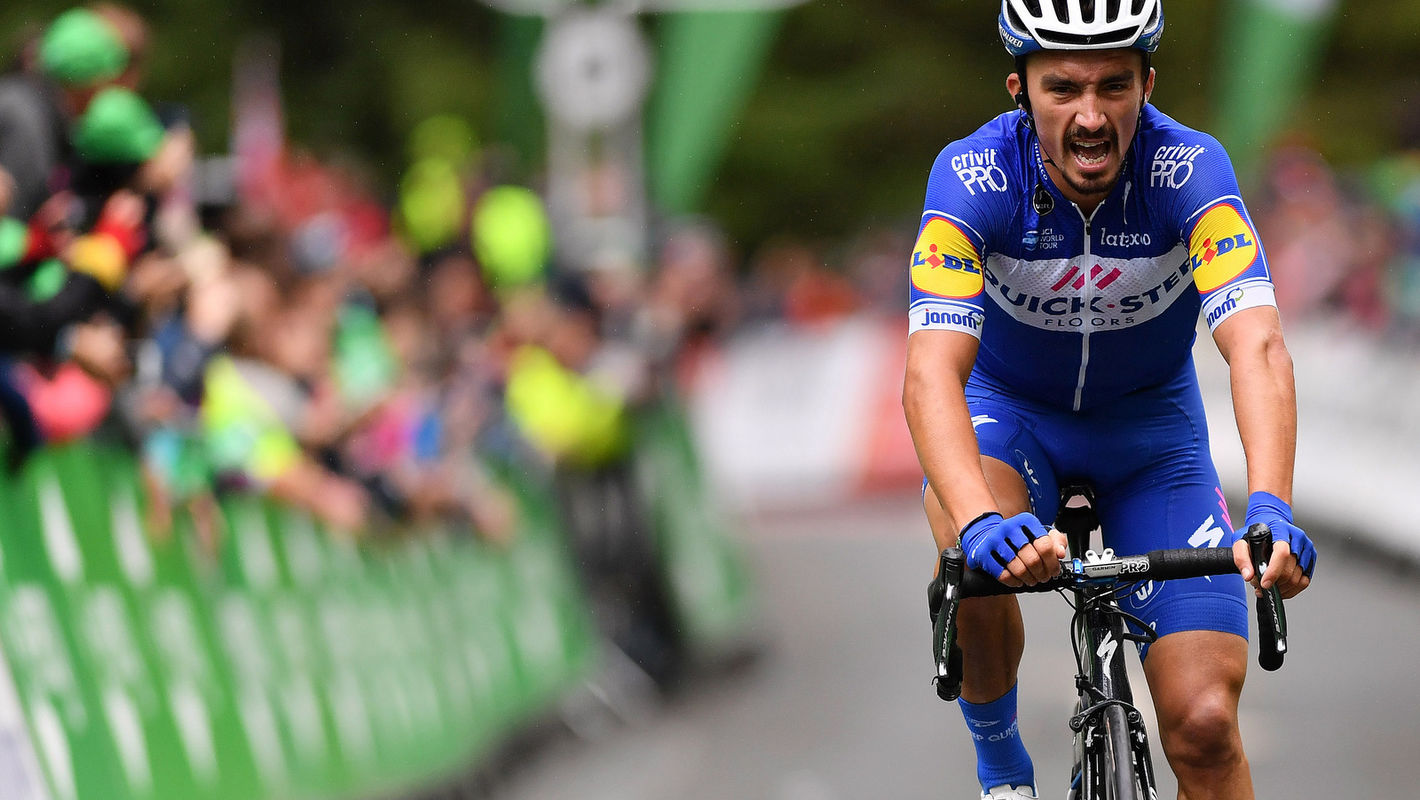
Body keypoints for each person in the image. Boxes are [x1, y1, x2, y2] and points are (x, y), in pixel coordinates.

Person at [901, 2, 1317, 799]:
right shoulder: (974, 176)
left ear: (1147, 85)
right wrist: (981, 523)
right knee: (967, 542)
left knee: (1204, 725)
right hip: (1010, 418)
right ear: (1020, 91)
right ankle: (1002, 767)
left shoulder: (1189, 171)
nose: (1090, 117)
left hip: (1151, 439)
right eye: (1063, 88)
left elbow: (1258, 345)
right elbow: (930, 376)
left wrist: (1270, 505)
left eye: (1113, 87)